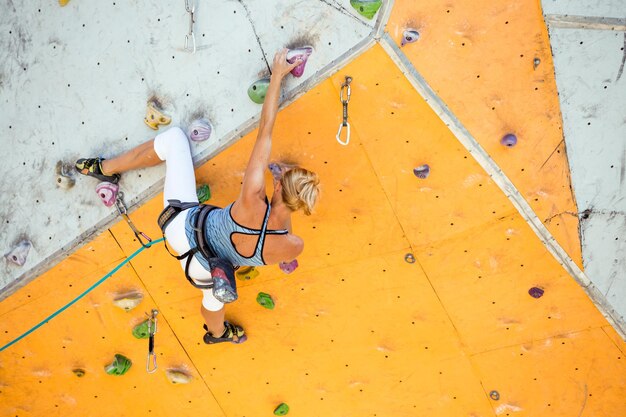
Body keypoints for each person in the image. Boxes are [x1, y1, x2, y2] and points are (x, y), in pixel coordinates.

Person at [75, 49, 320, 344]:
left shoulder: (254, 195)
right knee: (213, 303)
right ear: (301, 207)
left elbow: (265, 131)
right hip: (206, 271)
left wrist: (278, 75)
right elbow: (282, 233)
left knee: (175, 140)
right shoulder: (293, 245)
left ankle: (106, 168)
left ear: (278, 186)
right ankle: (218, 334)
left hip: (183, 229)